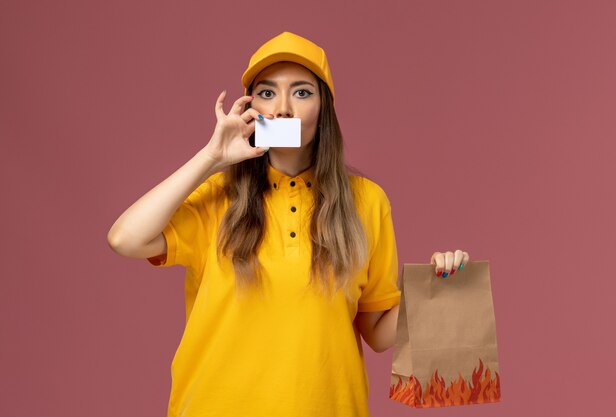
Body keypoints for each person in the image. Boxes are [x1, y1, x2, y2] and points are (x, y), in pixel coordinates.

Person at [107, 31, 470, 417]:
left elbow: (379, 332)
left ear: (323, 110)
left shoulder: (366, 201)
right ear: (251, 108)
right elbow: (125, 238)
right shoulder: (217, 197)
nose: (282, 108)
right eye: (266, 93)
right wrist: (212, 157)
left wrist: (434, 290)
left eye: (301, 92)